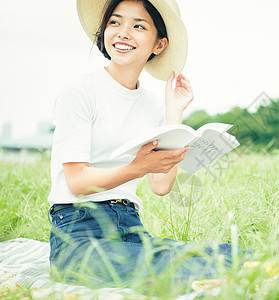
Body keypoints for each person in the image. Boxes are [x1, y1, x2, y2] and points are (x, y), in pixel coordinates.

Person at [48, 0, 249, 292]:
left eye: (138, 26)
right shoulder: (80, 92)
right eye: (115, 22)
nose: (123, 33)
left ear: (159, 44)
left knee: (229, 254)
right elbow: (78, 182)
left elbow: (160, 185)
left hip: (130, 228)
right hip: (78, 234)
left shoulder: (151, 105)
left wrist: (174, 114)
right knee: (180, 265)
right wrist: (136, 168)